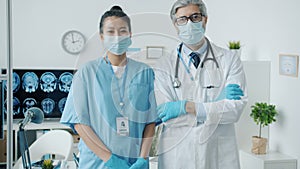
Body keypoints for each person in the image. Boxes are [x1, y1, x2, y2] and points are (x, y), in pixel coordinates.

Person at [154, 0, 248, 169]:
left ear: (205, 20)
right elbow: (167, 117)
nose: (189, 23)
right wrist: (215, 106)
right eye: (182, 19)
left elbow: (235, 110)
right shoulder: (164, 65)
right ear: (175, 25)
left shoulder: (229, 59)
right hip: (178, 156)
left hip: (218, 155)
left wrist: (186, 107)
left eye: (195, 17)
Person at [60, 6, 157, 169]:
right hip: (97, 163)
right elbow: (79, 123)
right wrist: (109, 159)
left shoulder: (144, 72)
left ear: (131, 35)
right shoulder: (86, 72)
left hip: (134, 163)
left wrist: (143, 158)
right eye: (111, 32)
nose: (117, 37)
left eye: (123, 31)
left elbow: (150, 121)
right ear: (102, 36)